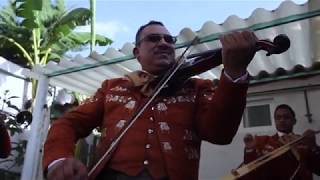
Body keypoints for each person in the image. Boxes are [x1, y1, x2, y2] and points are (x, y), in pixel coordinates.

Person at [43, 20, 258, 180]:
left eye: (169, 39)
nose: (164, 43)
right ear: (137, 52)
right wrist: (58, 159)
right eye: (154, 39)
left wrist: (234, 73)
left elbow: (220, 134)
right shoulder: (113, 87)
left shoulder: (196, 88)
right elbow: (68, 123)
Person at [241, 104, 320, 180]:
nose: (282, 120)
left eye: (286, 117)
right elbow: (251, 172)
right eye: (278, 118)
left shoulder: (304, 141)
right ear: (275, 121)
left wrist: (314, 146)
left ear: (294, 121)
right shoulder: (264, 142)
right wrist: (249, 151)